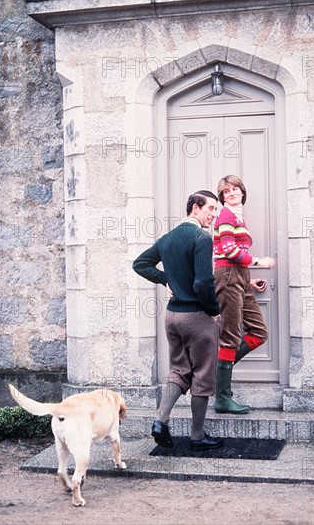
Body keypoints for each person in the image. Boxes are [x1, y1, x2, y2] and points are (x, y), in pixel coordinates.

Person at [133, 190, 223, 450]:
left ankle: (161, 421)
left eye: (216, 210)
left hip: (172, 317)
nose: (214, 215)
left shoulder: (167, 238)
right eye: (211, 209)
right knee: (203, 375)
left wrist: (165, 280)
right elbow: (203, 282)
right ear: (195, 208)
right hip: (197, 316)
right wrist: (214, 310)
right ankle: (197, 436)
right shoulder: (201, 238)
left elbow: (140, 264)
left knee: (178, 370)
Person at [212, 175, 274, 414]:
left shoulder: (237, 217)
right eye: (226, 191)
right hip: (229, 275)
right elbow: (229, 251)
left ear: (242, 192)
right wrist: (260, 261)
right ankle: (222, 397)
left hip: (238, 276)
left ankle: (219, 372)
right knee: (230, 336)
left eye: (235, 189)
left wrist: (249, 279)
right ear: (222, 197)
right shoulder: (226, 215)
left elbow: (236, 256)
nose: (231, 193)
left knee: (259, 332)